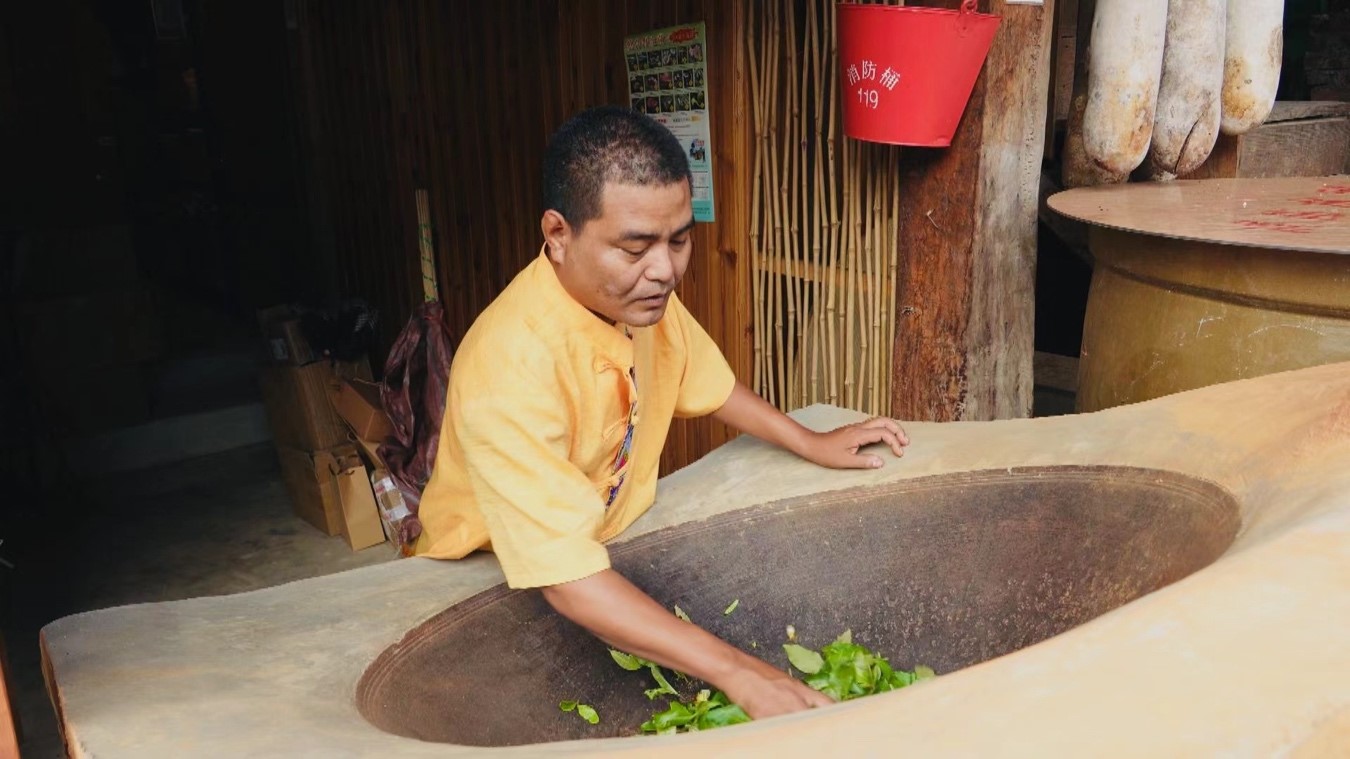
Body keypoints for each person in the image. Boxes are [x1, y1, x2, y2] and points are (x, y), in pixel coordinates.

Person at [413, 105, 908, 720]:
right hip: (489, 571)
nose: (666, 271)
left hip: (592, 541)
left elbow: (706, 380)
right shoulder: (509, 364)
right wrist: (742, 673)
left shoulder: (637, 301)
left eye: (679, 240)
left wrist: (808, 441)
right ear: (558, 234)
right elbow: (565, 577)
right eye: (635, 247)